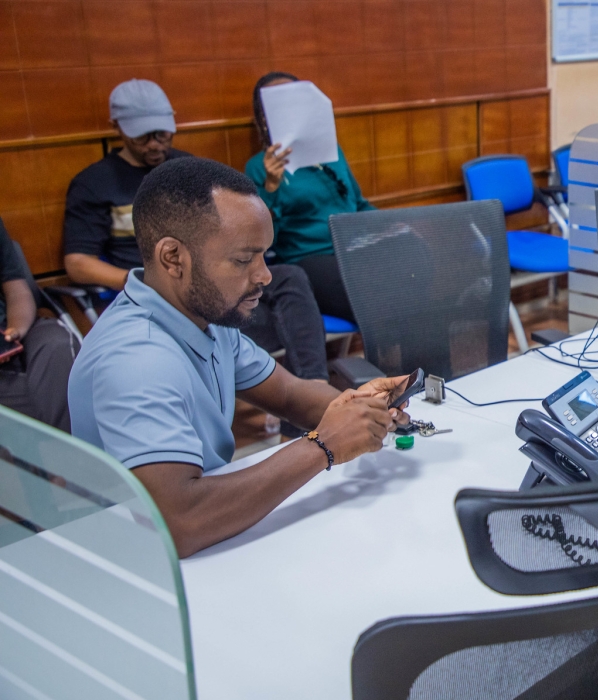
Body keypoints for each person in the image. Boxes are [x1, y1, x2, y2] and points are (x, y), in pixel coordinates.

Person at [68, 158, 412, 558]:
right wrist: (324, 446)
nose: (265, 275)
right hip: (146, 568)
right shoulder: (136, 360)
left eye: (264, 256)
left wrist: (362, 407)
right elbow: (179, 523)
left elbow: (288, 395)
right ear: (173, 258)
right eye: (243, 259)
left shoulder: (201, 317)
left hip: (211, 538)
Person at [63, 80, 331, 384]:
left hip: (212, 273)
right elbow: (77, 262)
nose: (154, 144)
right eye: (142, 136)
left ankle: (313, 387)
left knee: (289, 279)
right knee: (277, 320)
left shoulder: (189, 170)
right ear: (117, 128)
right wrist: (134, 278)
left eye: (162, 133)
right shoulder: (95, 183)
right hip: (161, 290)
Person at [244, 72, 375, 322]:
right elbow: (261, 237)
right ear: (264, 117)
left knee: (410, 262)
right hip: (309, 257)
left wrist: (392, 223)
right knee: (367, 296)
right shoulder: (258, 167)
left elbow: (358, 204)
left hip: (355, 244)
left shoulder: (332, 152)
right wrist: (271, 187)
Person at [0, 218, 79, 432]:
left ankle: (78, 458)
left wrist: (15, 330)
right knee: (37, 399)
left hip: (12, 329)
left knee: (58, 344)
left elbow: (17, 290)